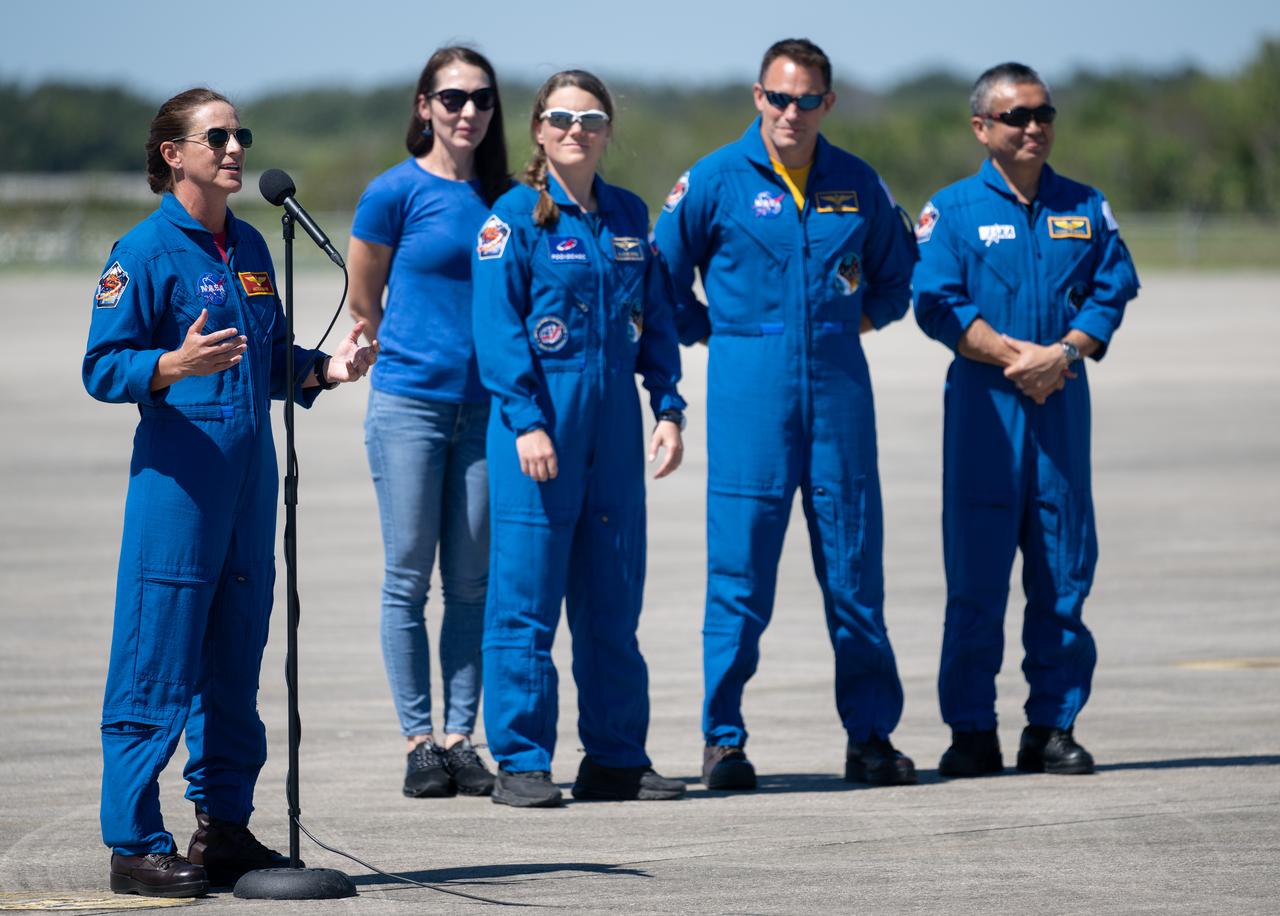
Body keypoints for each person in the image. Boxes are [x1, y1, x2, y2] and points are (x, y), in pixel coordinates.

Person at [83, 88, 377, 897]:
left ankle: (222, 827)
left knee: (236, 661)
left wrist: (326, 369)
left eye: (240, 133)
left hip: (248, 497)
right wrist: (167, 367)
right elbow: (102, 367)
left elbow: (268, 358)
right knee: (156, 661)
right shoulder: (144, 253)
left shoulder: (249, 246)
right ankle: (135, 843)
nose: (236, 147)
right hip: (178, 496)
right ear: (174, 154)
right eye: (217, 136)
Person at [653, 38, 920, 791]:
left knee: (855, 575)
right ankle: (723, 741)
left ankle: (870, 738)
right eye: (778, 97)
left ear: (827, 104)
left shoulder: (858, 183)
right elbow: (662, 278)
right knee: (738, 579)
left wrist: (841, 328)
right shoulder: (714, 180)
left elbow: (897, 281)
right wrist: (719, 333)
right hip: (749, 396)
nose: (790, 112)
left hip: (839, 395)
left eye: (806, 100)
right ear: (757, 97)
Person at [912, 63, 1140, 778]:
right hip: (985, 411)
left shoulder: (1086, 205)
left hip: (1060, 410)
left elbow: (1114, 285)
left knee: (1063, 576)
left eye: (1044, 113)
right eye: (1017, 116)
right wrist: (1019, 361)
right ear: (982, 128)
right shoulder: (948, 211)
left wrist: (1064, 354)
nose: (1034, 126)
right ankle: (971, 729)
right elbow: (935, 303)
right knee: (975, 582)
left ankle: (1052, 726)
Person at [472, 69, 688, 808]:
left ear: (607, 131)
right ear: (538, 129)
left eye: (591, 118)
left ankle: (616, 757)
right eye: (561, 117)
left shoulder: (628, 216)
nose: (576, 130)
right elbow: (499, 334)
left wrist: (668, 405)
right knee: (525, 603)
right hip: (539, 431)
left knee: (613, 601)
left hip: (616, 434)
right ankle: (523, 761)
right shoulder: (511, 218)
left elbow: (654, 320)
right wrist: (526, 421)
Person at [349, 46, 510, 800]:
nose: (467, 112)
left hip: (487, 410)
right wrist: (406, 352)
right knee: (408, 578)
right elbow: (364, 297)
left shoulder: (508, 195)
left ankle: (460, 737)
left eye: (480, 99)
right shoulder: (392, 193)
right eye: (451, 99)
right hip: (410, 404)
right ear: (424, 106)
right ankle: (418, 740)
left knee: (472, 582)